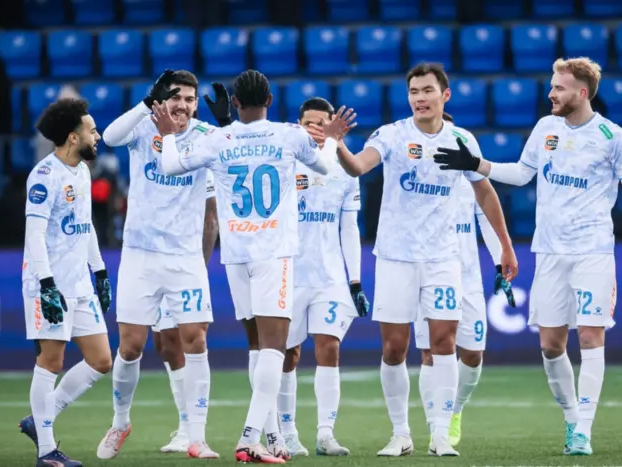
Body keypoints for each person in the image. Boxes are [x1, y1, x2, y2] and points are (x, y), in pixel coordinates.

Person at [433, 57, 622, 456]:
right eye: (552, 86)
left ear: (582, 93)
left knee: (590, 335)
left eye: (558, 88)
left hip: (593, 251)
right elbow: (522, 174)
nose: (550, 93)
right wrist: (476, 165)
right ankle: (571, 418)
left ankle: (583, 431)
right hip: (550, 251)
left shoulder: (612, 137)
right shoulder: (545, 128)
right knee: (552, 346)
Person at [154, 69, 355, 463]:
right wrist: (332, 137)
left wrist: (167, 134)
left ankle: (273, 436)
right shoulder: (287, 134)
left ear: (235, 103)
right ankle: (249, 436)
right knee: (274, 348)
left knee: (256, 346)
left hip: (236, 254)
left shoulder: (218, 138)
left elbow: (171, 166)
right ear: (270, 101)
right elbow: (324, 166)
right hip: (273, 252)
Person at [320, 63, 518, 457]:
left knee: (444, 343)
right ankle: (400, 434)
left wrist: (506, 246)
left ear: (445, 95)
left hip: (444, 258)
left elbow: (484, 192)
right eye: (413, 92)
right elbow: (358, 166)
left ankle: (440, 433)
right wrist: (337, 143)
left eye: (427, 90)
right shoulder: (392, 135)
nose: (420, 98)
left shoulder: (462, 140)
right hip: (396, 258)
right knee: (394, 348)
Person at [96, 69, 220, 459]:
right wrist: (144, 105)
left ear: (196, 105)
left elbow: (213, 207)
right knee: (130, 346)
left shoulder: (206, 136)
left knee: (195, 340)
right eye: (175, 97)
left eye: (189, 99)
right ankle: (120, 422)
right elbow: (109, 137)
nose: (182, 105)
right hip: (140, 253)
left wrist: (202, 263)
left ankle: (196, 436)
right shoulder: (143, 128)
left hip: (185, 257)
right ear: (161, 100)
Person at [19, 98, 113, 467]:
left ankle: (39, 419)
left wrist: (99, 271)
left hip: (79, 283)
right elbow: (34, 235)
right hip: (49, 284)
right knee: (51, 361)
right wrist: (46, 284)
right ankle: (46, 451)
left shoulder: (83, 172)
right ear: (73, 137)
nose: (97, 136)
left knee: (101, 360)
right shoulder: (44, 176)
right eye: (92, 130)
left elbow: (85, 225)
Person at [414, 112, 516, 447]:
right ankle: (436, 428)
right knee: (430, 352)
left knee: (472, 354)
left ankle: (455, 409)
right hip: (428, 271)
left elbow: (485, 216)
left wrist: (500, 258)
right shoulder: (416, 175)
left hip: (466, 274)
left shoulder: (469, 175)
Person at [276, 97, 370, 457]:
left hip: (329, 277)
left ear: (334, 126)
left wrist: (355, 280)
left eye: (323, 123)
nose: (316, 129)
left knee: (329, 347)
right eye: (309, 123)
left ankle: (326, 434)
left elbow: (349, 227)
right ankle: (287, 433)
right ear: (299, 125)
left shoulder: (345, 169)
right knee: (288, 354)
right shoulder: (286, 160)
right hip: (289, 273)